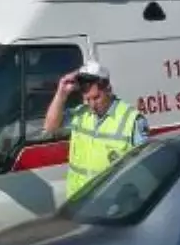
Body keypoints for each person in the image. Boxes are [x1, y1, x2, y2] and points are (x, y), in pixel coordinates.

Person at [44, 60, 149, 198]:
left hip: (112, 204)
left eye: (96, 98)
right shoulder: (81, 114)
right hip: (79, 201)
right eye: (87, 99)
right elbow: (50, 127)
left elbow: (145, 167)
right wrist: (61, 94)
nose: (92, 105)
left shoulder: (131, 119)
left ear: (108, 90)